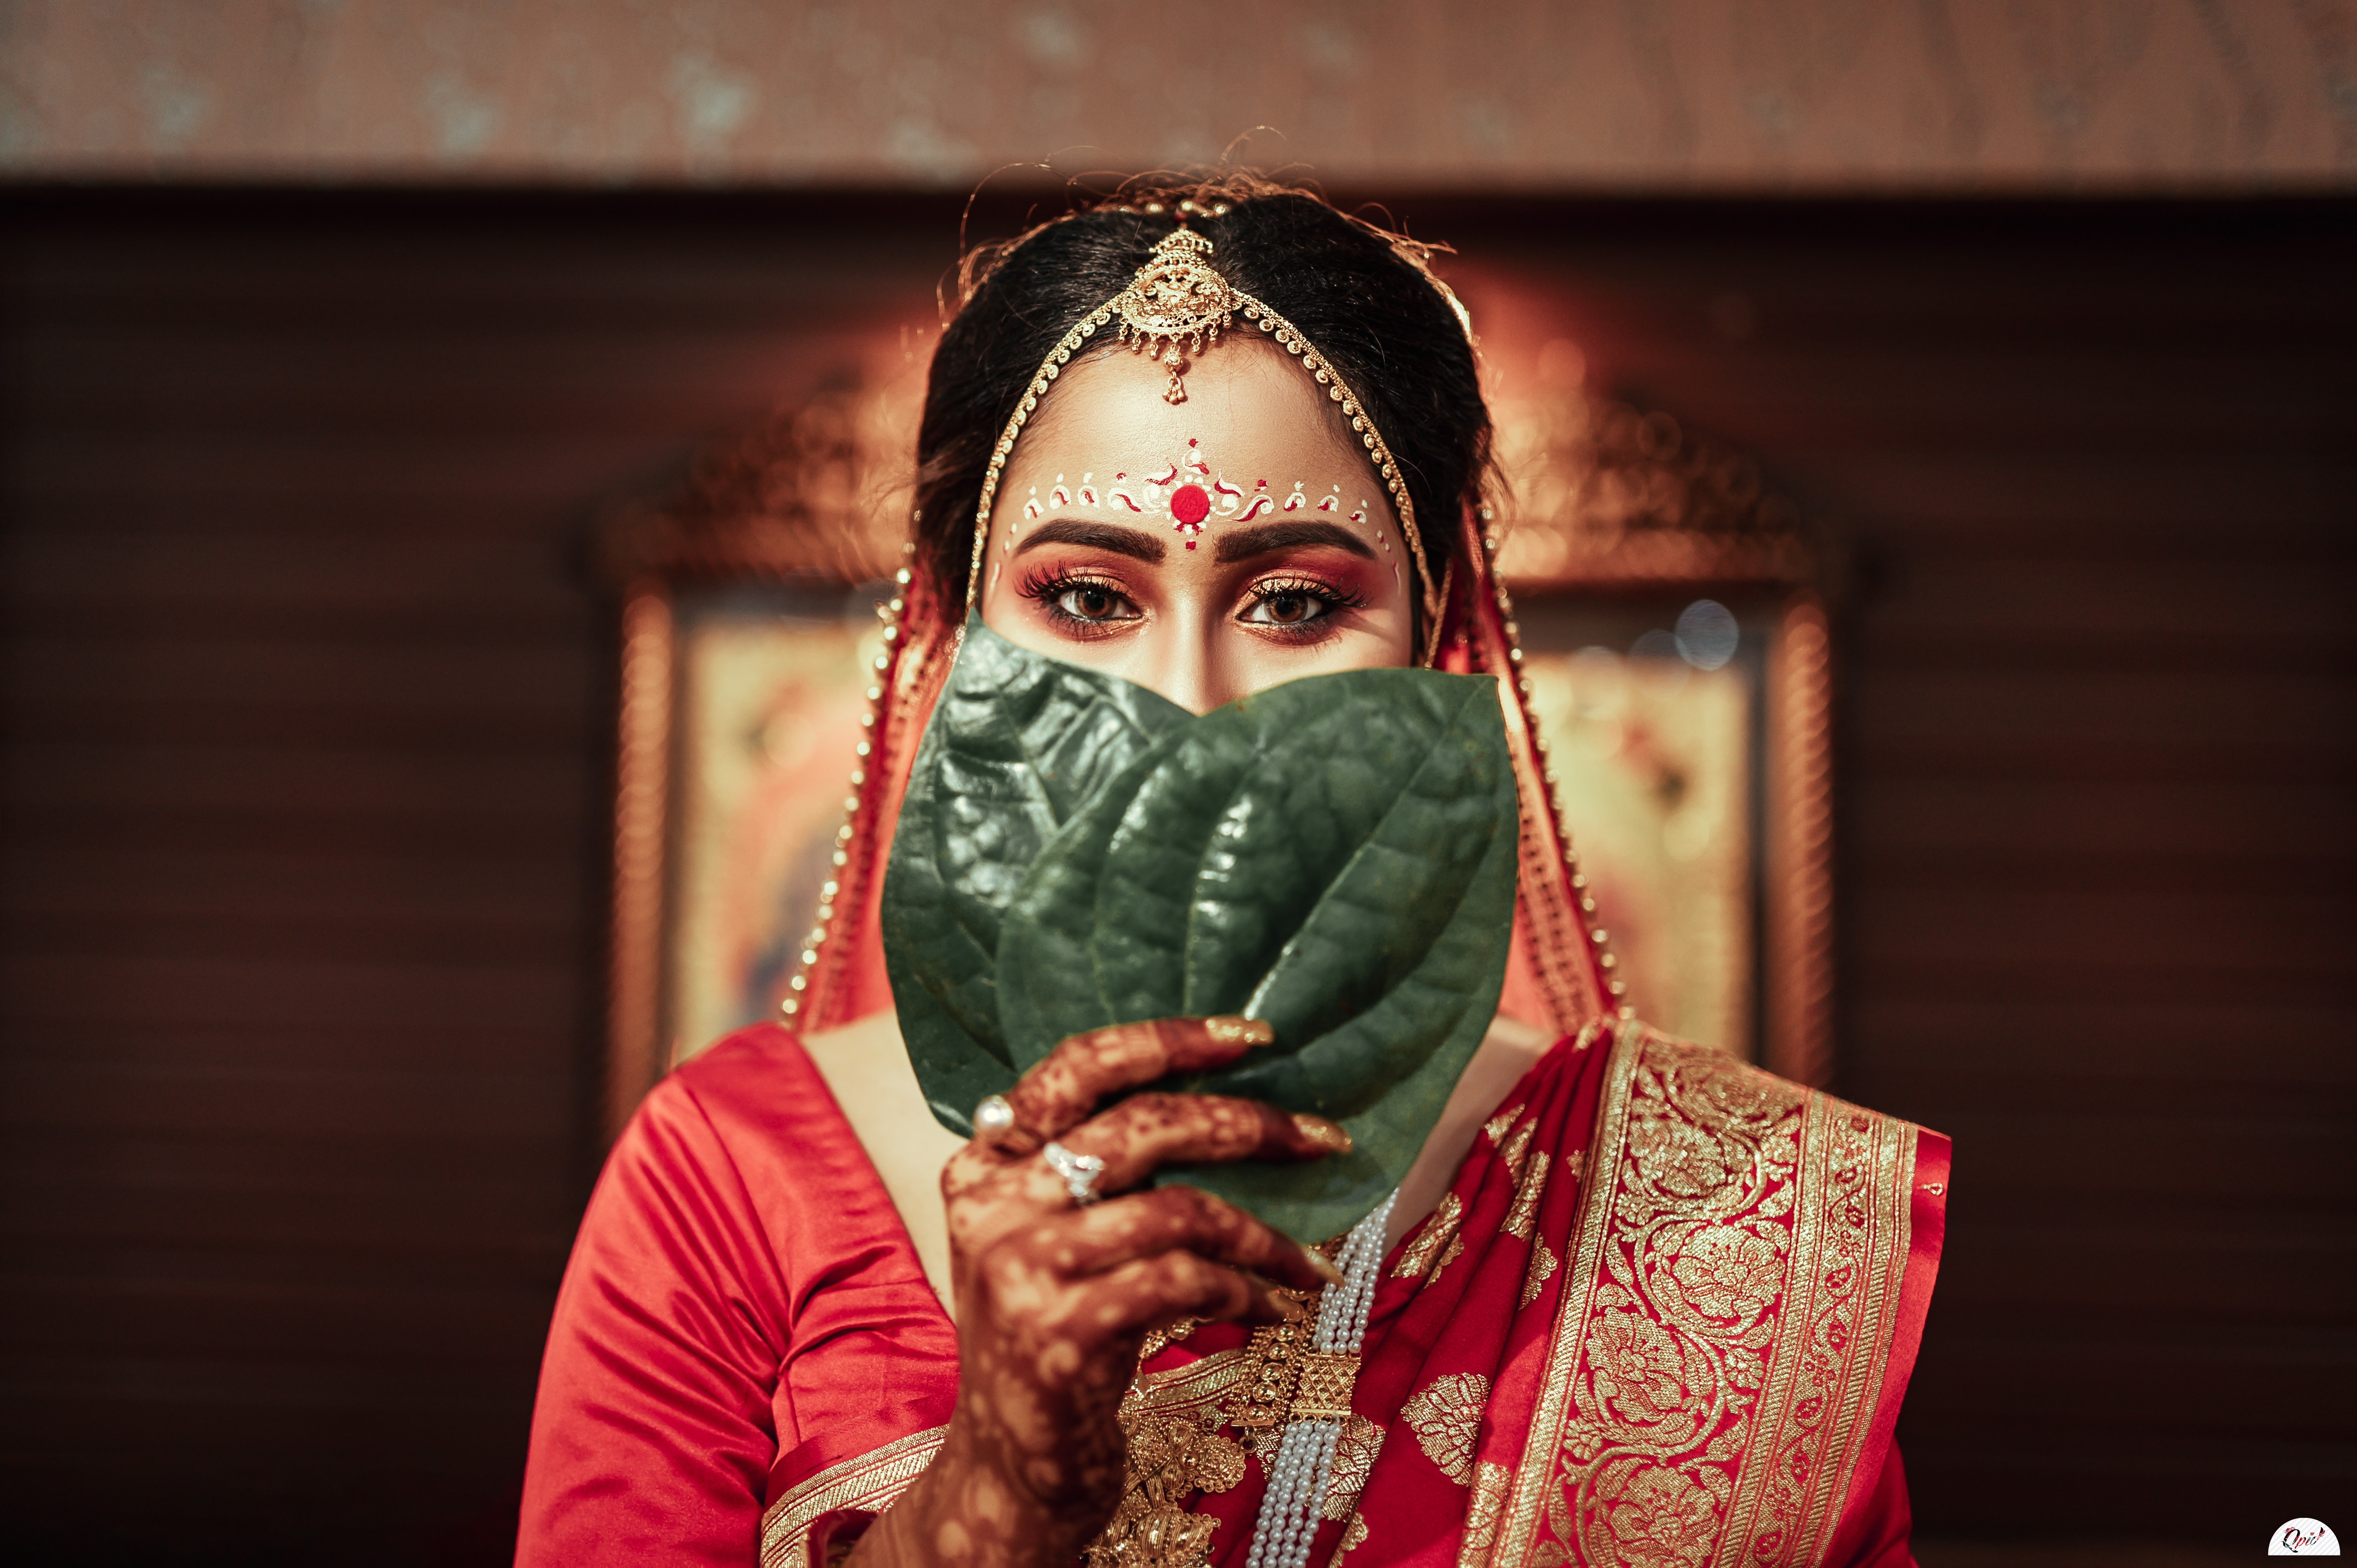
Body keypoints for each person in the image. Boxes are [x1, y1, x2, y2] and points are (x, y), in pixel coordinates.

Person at [516, 178, 1949, 1568]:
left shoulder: (1709, 1219)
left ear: (1432, 638)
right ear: (956, 641)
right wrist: (990, 1502)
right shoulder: (731, 1179)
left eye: (1297, 601)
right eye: (1087, 596)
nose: (1189, 708)